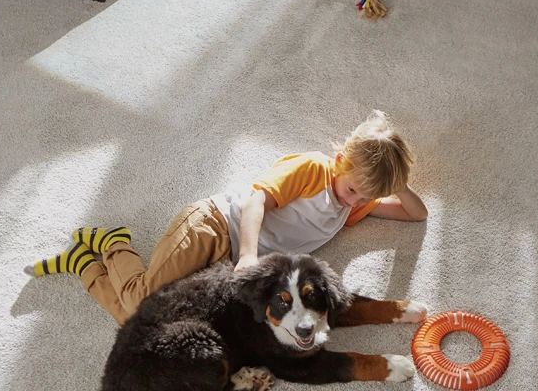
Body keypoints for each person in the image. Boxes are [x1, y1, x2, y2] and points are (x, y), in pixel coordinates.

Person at [27, 110, 428, 326]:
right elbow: (255, 201)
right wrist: (249, 255)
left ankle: (84, 265)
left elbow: (416, 214)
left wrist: (397, 184)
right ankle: (115, 244)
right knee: (138, 302)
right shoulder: (313, 169)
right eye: (353, 189)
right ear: (340, 160)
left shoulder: (355, 203)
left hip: (226, 263)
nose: (355, 201)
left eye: (368, 197)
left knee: (148, 322)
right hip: (214, 226)